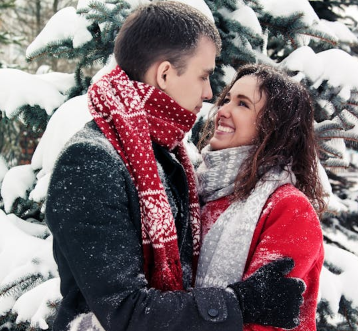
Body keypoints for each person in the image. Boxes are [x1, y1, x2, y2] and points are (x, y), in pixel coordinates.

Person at [45, 3, 305, 331]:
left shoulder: (164, 156)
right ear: (165, 74)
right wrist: (240, 302)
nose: (211, 93)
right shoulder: (91, 162)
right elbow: (123, 312)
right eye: (204, 75)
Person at [195, 64, 325, 331]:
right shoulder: (199, 190)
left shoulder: (289, 208)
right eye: (227, 99)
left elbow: (264, 321)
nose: (223, 111)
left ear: (272, 127)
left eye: (242, 104)